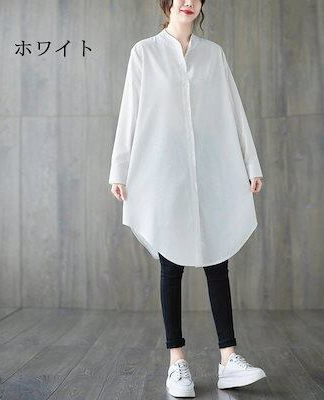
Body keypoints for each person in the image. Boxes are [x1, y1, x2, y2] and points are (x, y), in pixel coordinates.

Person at [109, 0, 266, 397]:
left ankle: (229, 359)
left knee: (218, 260)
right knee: (171, 263)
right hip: (164, 173)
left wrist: (251, 162)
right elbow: (130, 112)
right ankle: (177, 363)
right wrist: (119, 170)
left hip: (212, 171)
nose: (188, 2)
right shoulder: (145, 53)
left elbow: (234, 109)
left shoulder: (213, 55)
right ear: (168, 3)